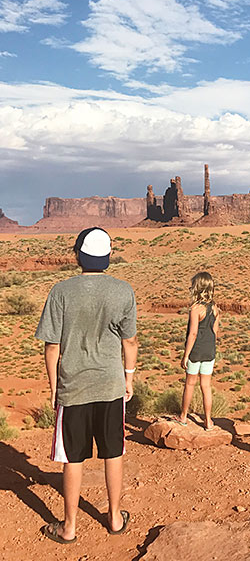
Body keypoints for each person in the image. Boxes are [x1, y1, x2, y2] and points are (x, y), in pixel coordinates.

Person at [35, 227, 138, 544]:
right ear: (108, 257)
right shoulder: (123, 291)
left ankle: (69, 528)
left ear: (79, 254)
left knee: (73, 458)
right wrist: (128, 378)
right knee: (113, 452)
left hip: (74, 387)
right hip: (110, 385)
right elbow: (130, 341)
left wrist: (54, 387)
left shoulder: (61, 291)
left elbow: (51, 346)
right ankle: (116, 518)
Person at [178, 271, 220, 430]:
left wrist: (186, 355)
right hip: (209, 352)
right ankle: (208, 421)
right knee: (206, 386)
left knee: (189, 384)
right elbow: (216, 332)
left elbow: (193, 333)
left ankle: (183, 416)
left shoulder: (195, 308)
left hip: (196, 352)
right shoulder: (215, 308)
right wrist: (212, 349)